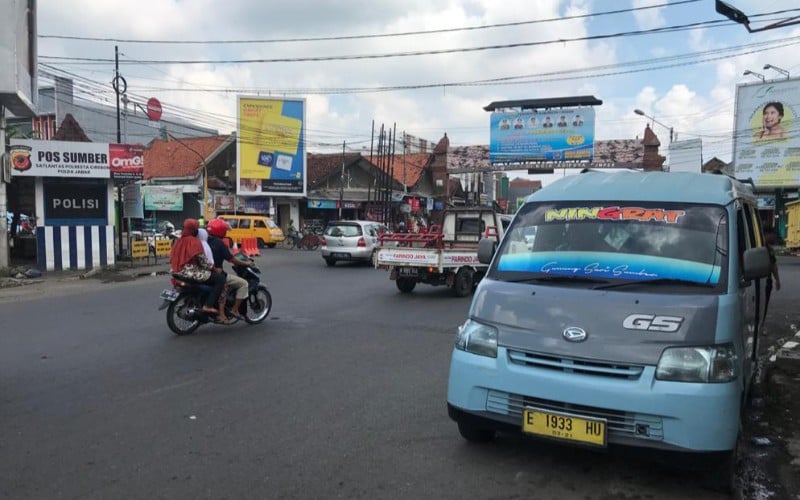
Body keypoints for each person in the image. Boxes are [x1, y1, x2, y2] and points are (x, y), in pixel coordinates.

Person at [170, 218, 225, 316]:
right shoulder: (194, 242)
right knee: (220, 279)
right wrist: (214, 269)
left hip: (176, 271)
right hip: (190, 272)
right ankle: (208, 305)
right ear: (193, 230)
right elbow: (203, 261)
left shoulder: (178, 241)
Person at [206, 218, 254, 322]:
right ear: (220, 230)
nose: (226, 232)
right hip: (216, 273)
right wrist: (246, 263)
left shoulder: (204, 241)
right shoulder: (219, 243)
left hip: (204, 272)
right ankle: (234, 310)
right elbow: (232, 259)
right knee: (244, 284)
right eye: (224, 230)